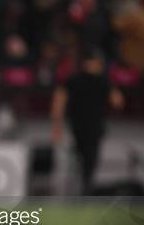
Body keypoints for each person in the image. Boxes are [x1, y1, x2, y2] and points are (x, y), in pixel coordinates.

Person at [51, 49, 124, 194]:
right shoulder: (99, 80)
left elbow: (58, 102)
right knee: (87, 159)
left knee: (84, 159)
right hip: (86, 126)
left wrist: (57, 125)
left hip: (83, 126)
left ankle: (84, 188)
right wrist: (57, 126)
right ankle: (84, 188)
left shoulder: (79, 79)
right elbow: (118, 102)